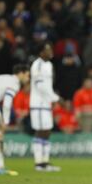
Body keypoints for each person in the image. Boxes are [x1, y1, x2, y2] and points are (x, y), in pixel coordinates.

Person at [30, 42, 61, 172]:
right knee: (41, 131)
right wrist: (56, 98)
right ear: (41, 52)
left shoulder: (49, 65)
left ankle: (45, 162)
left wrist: (52, 99)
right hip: (38, 104)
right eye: (48, 50)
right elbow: (40, 86)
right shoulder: (37, 64)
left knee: (47, 131)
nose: (51, 51)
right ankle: (39, 163)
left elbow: (47, 87)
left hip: (46, 103)